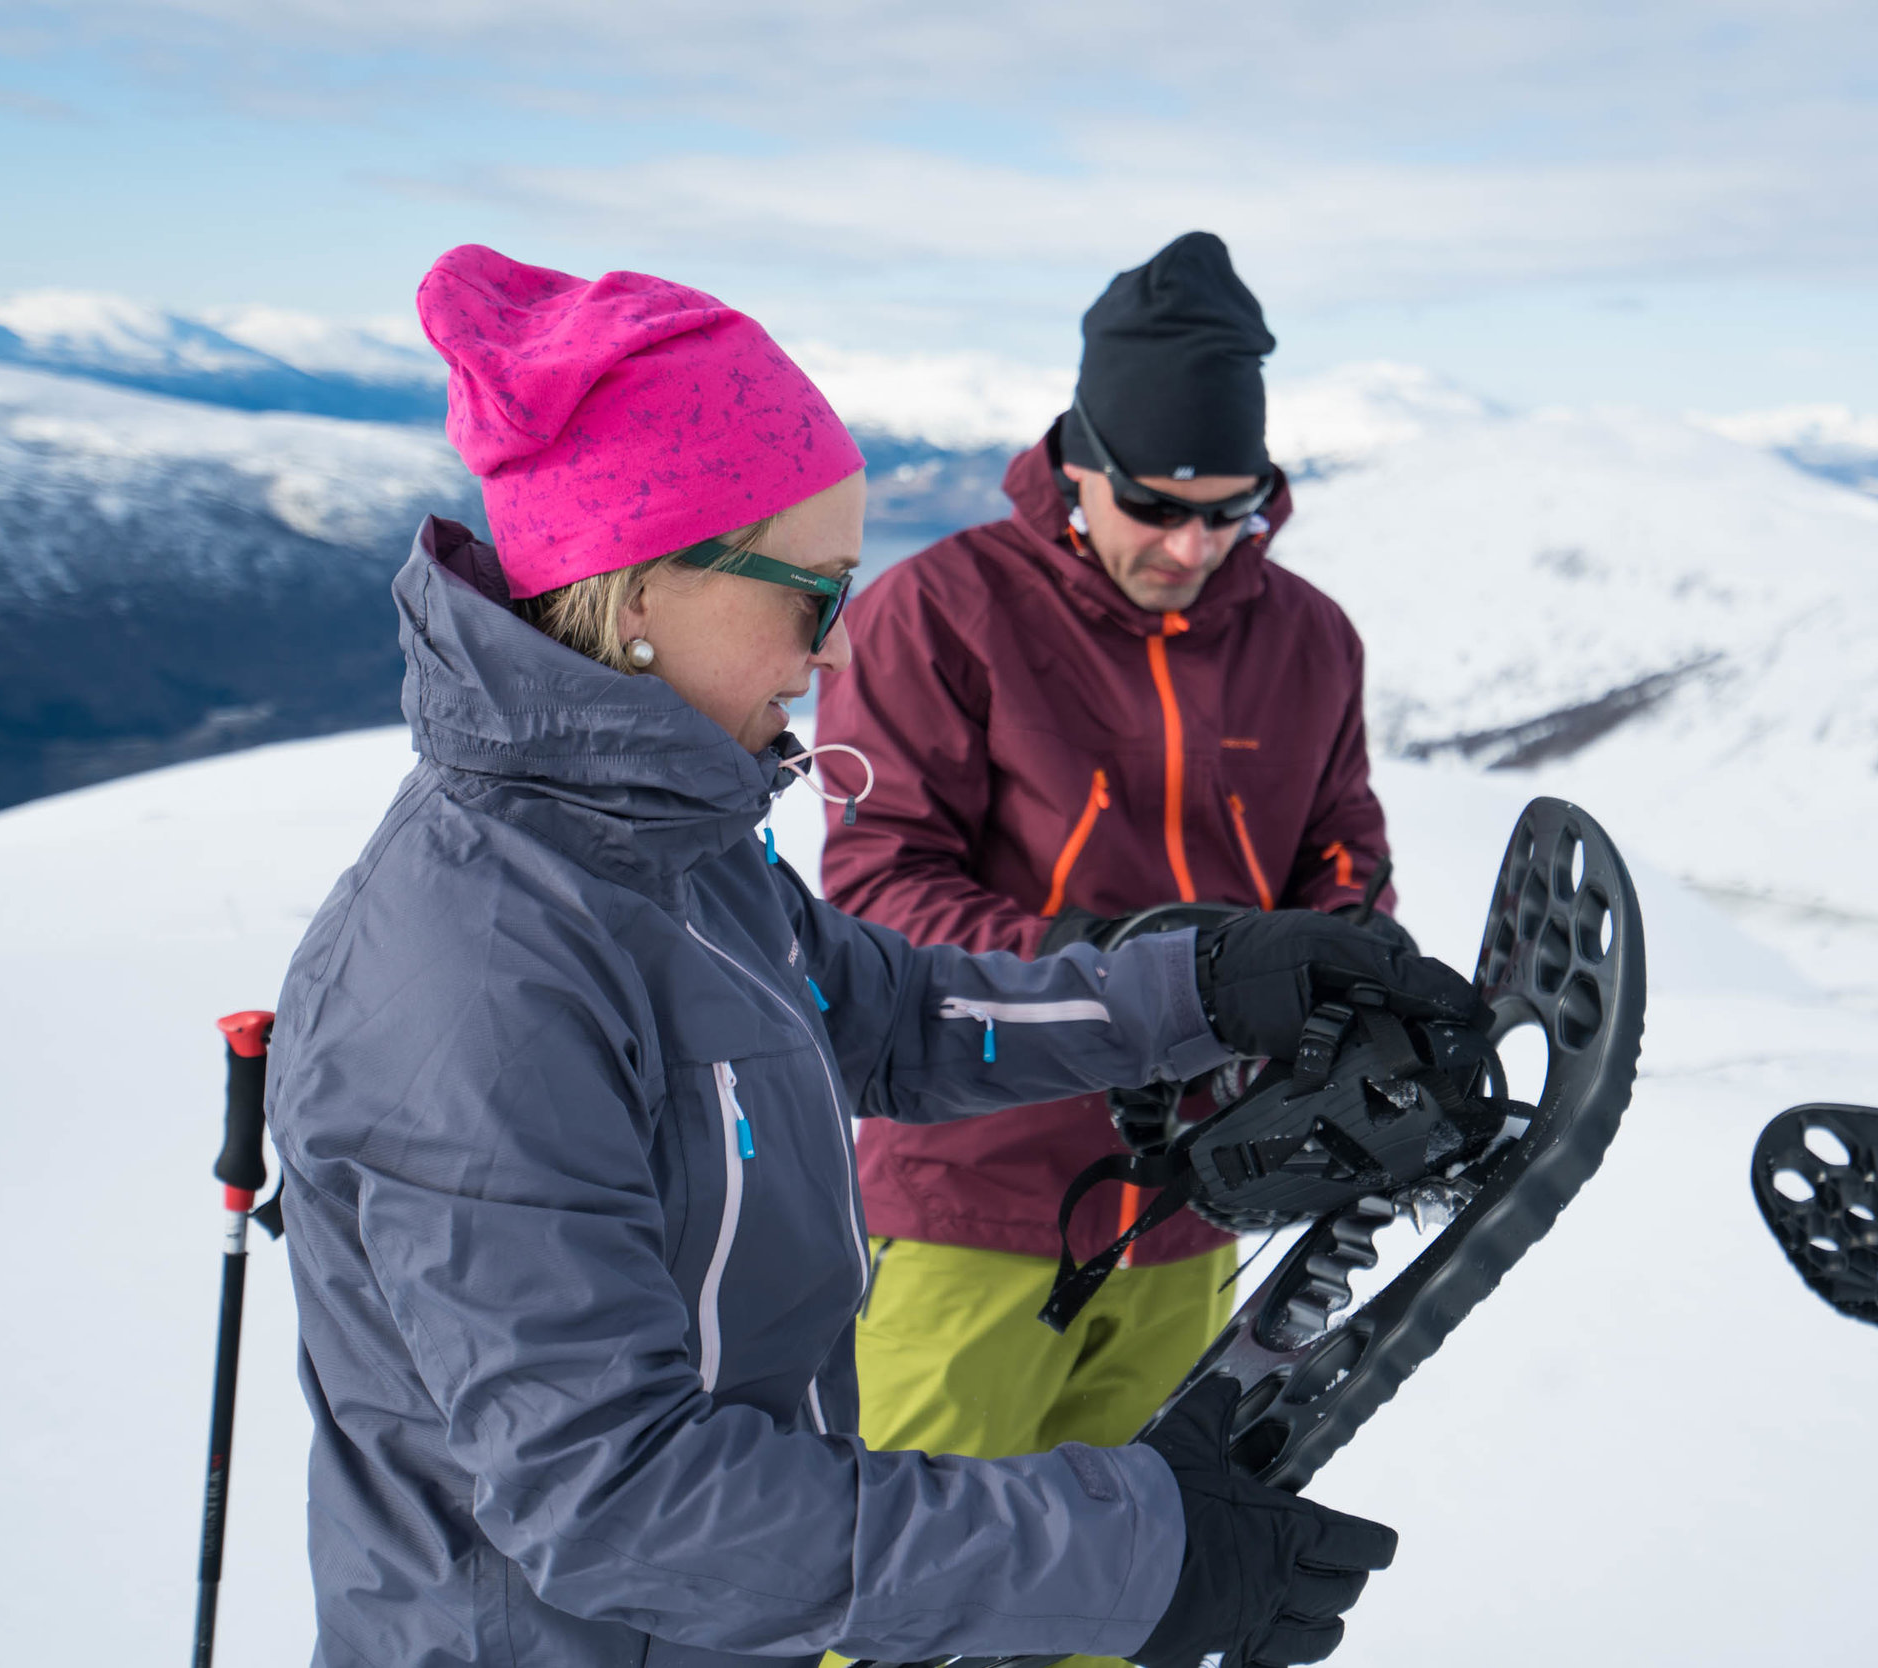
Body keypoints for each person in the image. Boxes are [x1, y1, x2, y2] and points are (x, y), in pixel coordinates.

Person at [265, 244, 1481, 1668]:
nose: (835, 655)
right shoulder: (475, 977)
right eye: (813, 596)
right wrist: (1132, 1553)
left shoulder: (664, 846)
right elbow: (619, 1507)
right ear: (642, 587)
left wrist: (1203, 986)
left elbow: (888, 1012)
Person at [814, 233, 1399, 1494]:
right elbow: (876, 889)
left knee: (1129, 1582)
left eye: (1230, 510)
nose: (1194, 548)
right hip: (971, 1193)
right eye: (1158, 508)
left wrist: (1336, 982)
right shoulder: (938, 613)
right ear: (1080, 464)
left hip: (1198, 1206)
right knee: (904, 1590)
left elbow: (1340, 847)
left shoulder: (1310, 639)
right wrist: (1143, 971)